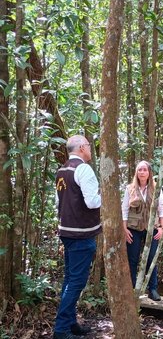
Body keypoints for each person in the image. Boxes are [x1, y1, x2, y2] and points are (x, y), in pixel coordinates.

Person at [53, 135, 101, 339]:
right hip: (81, 234)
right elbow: (92, 202)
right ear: (82, 148)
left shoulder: (62, 170)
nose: (90, 150)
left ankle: (70, 323)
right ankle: (61, 329)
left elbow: (59, 201)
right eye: (89, 146)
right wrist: (107, 196)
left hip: (67, 232)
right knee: (76, 282)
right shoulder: (83, 169)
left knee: (69, 279)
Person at [122, 160, 163, 301]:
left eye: (144, 170)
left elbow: (162, 208)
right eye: (139, 169)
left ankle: (152, 289)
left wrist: (162, 227)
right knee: (132, 259)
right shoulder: (130, 188)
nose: (142, 172)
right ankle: (132, 289)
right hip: (133, 228)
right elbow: (124, 209)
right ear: (136, 172)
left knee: (150, 259)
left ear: (149, 173)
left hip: (151, 228)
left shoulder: (156, 188)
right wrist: (124, 229)